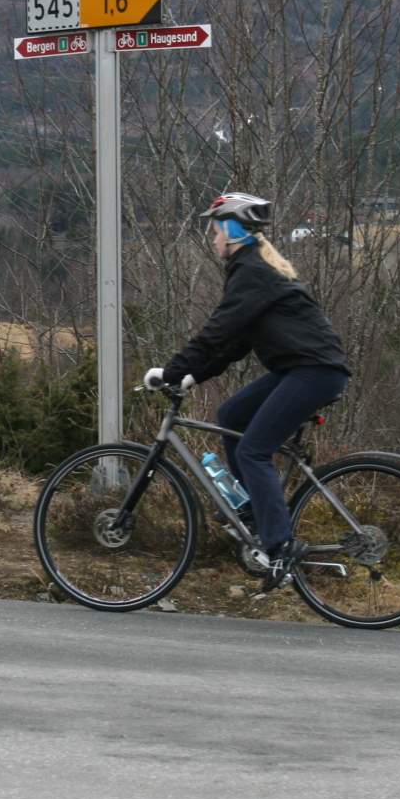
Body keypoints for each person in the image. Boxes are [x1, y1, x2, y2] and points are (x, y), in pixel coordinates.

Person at [142, 193, 351, 590]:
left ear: (232, 230)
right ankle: (257, 513)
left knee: (254, 450)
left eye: (215, 228)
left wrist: (171, 370)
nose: (212, 237)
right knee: (231, 417)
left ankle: (280, 546)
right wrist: (192, 377)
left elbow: (216, 331)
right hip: (301, 369)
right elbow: (234, 343)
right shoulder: (252, 268)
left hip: (314, 372)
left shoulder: (252, 271)